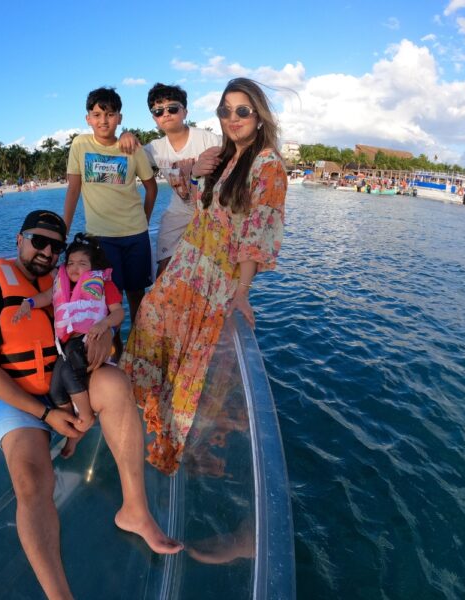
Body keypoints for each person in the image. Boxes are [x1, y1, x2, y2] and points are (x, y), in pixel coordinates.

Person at [0, 209, 182, 600]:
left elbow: (102, 322)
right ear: (19, 239)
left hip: (70, 380)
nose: (47, 251)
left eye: (56, 246)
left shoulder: (74, 279)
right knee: (31, 482)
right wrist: (46, 413)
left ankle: (135, 510)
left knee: (115, 383)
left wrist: (110, 337)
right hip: (20, 401)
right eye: (38, 240)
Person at [120, 78, 287, 475]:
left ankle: (181, 447)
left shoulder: (267, 164)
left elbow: (258, 232)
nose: (233, 118)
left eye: (242, 111)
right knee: (148, 324)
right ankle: (147, 421)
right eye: (226, 111)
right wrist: (196, 170)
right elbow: (196, 201)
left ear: (259, 116)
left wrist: (242, 293)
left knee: (193, 363)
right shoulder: (224, 156)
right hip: (186, 267)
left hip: (214, 280)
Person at [12, 232, 124, 448]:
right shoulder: (59, 284)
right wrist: (29, 303)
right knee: (55, 388)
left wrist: (104, 324)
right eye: (71, 262)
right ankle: (73, 427)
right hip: (66, 346)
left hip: (87, 339)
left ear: (93, 267)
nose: (74, 267)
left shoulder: (103, 284)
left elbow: (119, 312)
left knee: (66, 371)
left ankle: (86, 416)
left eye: (82, 263)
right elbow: (46, 297)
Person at [63, 87, 157, 325]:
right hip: (101, 239)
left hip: (135, 235)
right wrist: (63, 230)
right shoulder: (79, 145)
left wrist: (143, 222)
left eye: (110, 114)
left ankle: (138, 350)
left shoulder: (131, 147)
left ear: (119, 118)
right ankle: (113, 354)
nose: (103, 120)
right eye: (96, 115)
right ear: (88, 118)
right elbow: (73, 190)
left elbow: (152, 188)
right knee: (104, 300)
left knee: (137, 295)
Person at [143, 83, 222, 276]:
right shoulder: (154, 148)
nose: (166, 114)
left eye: (172, 108)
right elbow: (127, 158)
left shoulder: (207, 140)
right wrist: (126, 136)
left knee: (210, 271)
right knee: (164, 267)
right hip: (178, 212)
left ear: (185, 112)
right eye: (158, 111)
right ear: (154, 118)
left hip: (211, 212)